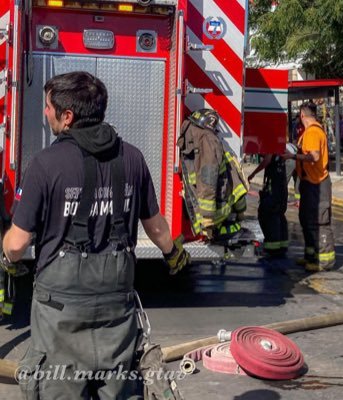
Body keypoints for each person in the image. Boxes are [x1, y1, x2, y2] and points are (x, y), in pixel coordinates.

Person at [1, 71, 190, 399]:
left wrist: (6, 255)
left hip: (60, 313)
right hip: (116, 308)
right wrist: (173, 255)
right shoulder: (132, 157)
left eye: (48, 108)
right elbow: (156, 225)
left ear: (67, 116)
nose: (45, 114)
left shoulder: (45, 164)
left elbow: (17, 244)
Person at [177, 109, 249, 242]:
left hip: (212, 208)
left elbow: (207, 178)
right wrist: (208, 217)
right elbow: (208, 178)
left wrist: (207, 217)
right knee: (234, 227)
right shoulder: (209, 140)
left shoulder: (197, 136)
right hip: (219, 209)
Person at [282, 101, 335, 272]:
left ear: (302, 115)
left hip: (317, 183)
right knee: (307, 220)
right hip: (309, 183)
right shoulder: (309, 133)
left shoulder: (312, 132)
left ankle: (324, 262)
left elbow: (314, 156)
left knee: (320, 222)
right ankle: (310, 256)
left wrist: (293, 156)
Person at [248, 144, 296, 258]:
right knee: (279, 214)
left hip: (273, 186)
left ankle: (272, 248)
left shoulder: (272, 142)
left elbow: (267, 159)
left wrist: (253, 173)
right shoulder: (280, 143)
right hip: (280, 186)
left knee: (267, 214)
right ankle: (281, 245)